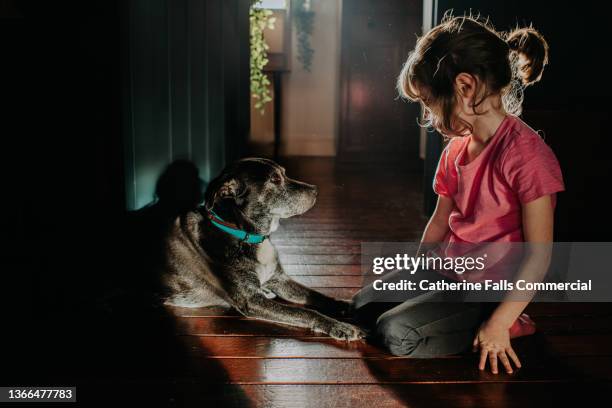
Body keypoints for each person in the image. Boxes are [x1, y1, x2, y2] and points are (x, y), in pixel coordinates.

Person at [351, 13, 564, 374]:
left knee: (395, 333)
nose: (428, 116)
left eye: (428, 103)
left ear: (465, 87)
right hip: (449, 272)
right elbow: (439, 221)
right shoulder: (454, 150)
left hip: (488, 292)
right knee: (362, 305)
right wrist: (415, 273)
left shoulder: (528, 158)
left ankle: (510, 323)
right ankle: (440, 311)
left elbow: (538, 258)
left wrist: (498, 322)